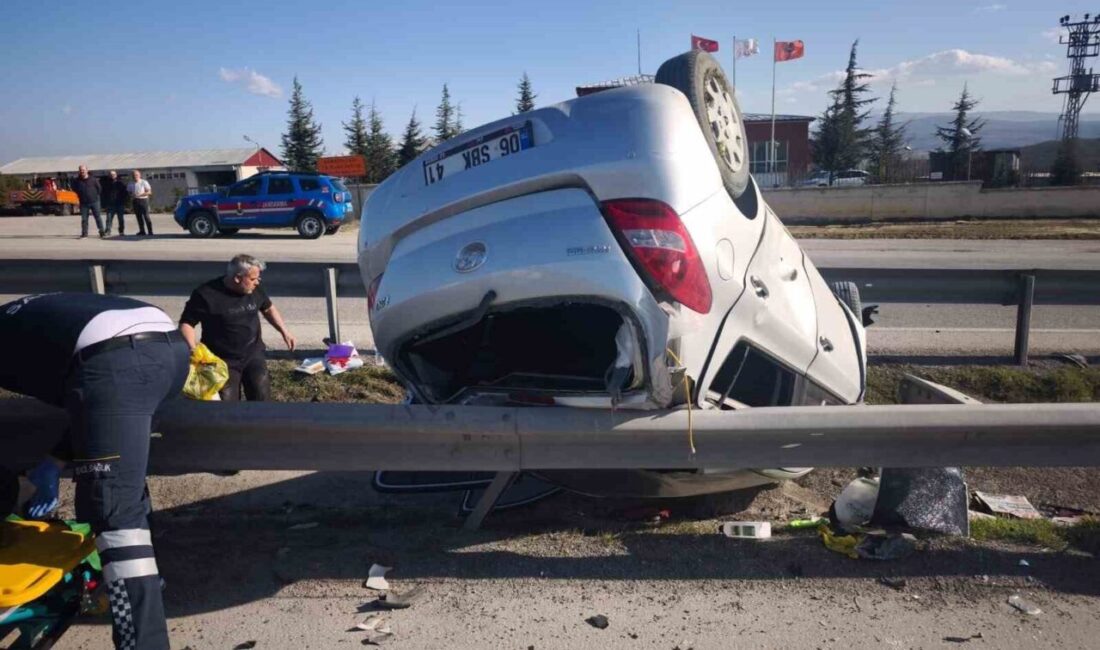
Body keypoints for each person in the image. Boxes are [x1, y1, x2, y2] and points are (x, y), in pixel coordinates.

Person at [0, 292, 190, 650]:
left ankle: (143, 641)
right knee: (123, 485)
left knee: (114, 511)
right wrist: (56, 461)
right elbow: (94, 404)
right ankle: (145, 587)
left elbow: (102, 381)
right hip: (169, 351)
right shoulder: (19, 318)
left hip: (117, 359)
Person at [178, 254, 296, 401]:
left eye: (258, 278)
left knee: (262, 397)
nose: (257, 282)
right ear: (237, 278)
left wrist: (284, 331)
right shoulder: (206, 295)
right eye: (253, 279)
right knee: (228, 407)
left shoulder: (254, 290)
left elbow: (268, 309)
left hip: (253, 355)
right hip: (222, 361)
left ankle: (260, 423)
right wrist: (192, 349)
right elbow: (186, 323)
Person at [71, 165, 104, 238]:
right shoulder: (77, 181)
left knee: (98, 217)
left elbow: (99, 189)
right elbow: (74, 190)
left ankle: (102, 232)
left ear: (87, 170)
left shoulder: (93, 179)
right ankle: (84, 234)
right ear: (79, 171)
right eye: (81, 170)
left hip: (94, 201)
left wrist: (95, 196)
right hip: (83, 203)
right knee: (84, 219)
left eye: (83, 170)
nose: (82, 171)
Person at [104, 170, 128, 236]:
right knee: (109, 219)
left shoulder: (121, 183)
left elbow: (125, 193)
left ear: (116, 175)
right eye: (111, 174)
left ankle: (121, 231)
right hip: (110, 204)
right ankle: (108, 231)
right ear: (109, 175)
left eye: (114, 174)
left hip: (120, 204)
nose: (112, 175)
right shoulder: (106, 183)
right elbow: (103, 194)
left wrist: (123, 201)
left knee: (121, 219)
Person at [129, 170, 153, 236]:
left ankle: (150, 231)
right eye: (133, 175)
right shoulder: (130, 183)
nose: (135, 176)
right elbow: (129, 192)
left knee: (146, 216)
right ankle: (142, 231)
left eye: (136, 175)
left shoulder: (144, 182)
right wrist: (131, 195)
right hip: (135, 201)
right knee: (138, 217)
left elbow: (149, 192)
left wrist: (140, 195)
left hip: (143, 200)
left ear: (139, 175)